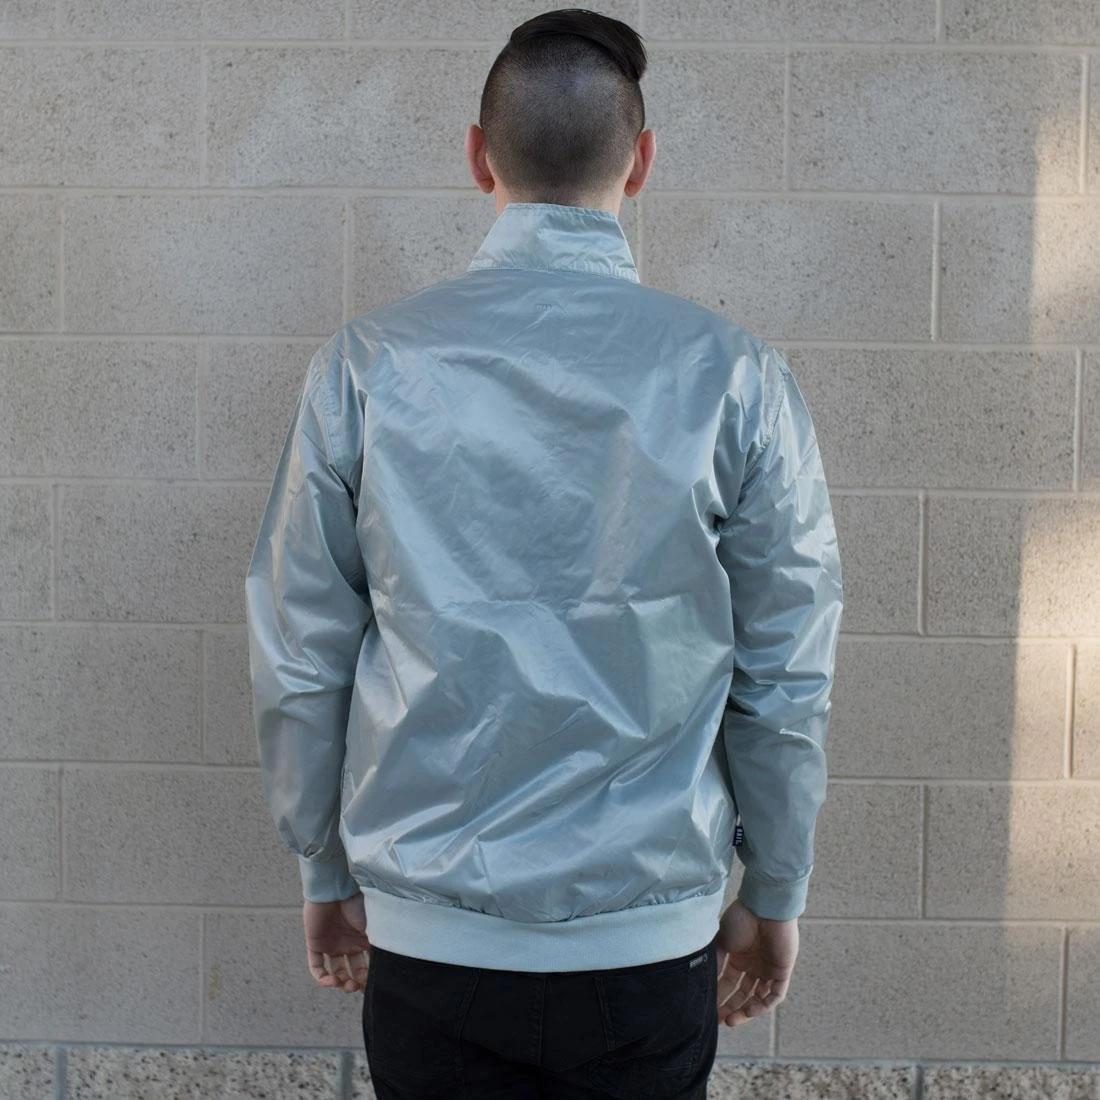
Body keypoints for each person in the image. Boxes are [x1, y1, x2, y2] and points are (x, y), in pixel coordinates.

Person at [244, 7, 843, 1098]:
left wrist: (321, 865)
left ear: (478, 156)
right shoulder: (737, 377)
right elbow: (786, 671)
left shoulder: (365, 368)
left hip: (429, 939)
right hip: (648, 945)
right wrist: (776, 889)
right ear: (641, 162)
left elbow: (300, 650)